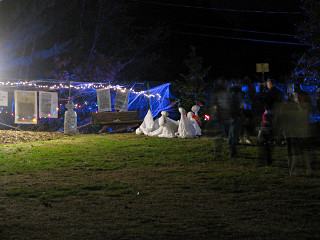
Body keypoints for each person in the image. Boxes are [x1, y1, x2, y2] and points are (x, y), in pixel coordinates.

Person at [207, 78, 242, 157]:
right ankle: (230, 152)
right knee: (228, 135)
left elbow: (215, 106)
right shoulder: (226, 93)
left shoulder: (219, 93)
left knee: (223, 135)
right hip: (225, 116)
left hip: (223, 117)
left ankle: (220, 152)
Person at [258, 79, 285, 165]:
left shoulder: (269, 93)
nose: (267, 85)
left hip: (270, 113)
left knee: (264, 135)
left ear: (269, 84)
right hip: (278, 113)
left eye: (267, 84)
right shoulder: (280, 92)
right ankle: (275, 138)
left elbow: (265, 103)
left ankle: (265, 157)